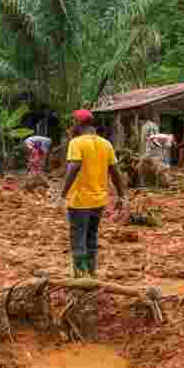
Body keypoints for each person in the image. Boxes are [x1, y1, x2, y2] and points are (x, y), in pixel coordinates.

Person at [60, 110, 125, 278]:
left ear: (78, 124)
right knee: (92, 236)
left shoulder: (77, 143)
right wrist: (121, 196)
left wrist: (62, 194)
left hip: (79, 200)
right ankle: (92, 270)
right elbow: (115, 172)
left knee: (78, 237)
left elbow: (74, 167)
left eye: (73, 122)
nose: (71, 126)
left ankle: (81, 275)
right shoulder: (106, 144)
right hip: (99, 200)